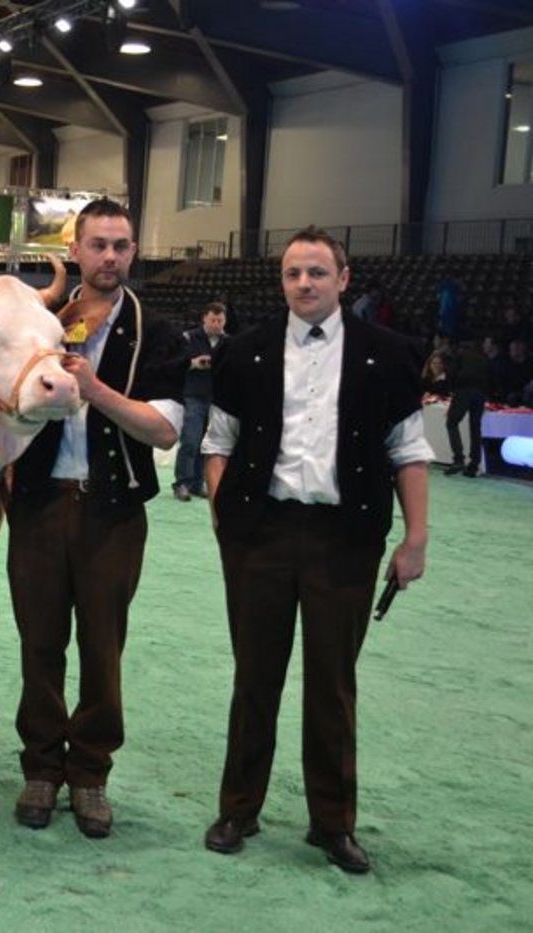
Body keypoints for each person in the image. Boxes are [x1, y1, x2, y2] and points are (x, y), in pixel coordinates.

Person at [200, 226, 430, 874]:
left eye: (318, 273)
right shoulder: (244, 351)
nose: (305, 283)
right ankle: (239, 807)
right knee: (255, 678)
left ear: (344, 279)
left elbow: (409, 450)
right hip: (261, 536)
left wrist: (416, 538)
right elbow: (218, 442)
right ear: (282, 281)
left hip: (345, 540)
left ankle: (333, 824)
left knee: (332, 684)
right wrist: (224, 513)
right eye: (294, 273)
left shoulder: (388, 353)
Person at [6, 199, 184, 839]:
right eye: (99, 244)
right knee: (38, 643)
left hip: (113, 512)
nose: (110, 257)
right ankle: (41, 768)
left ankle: (90, 776)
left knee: (102, 648)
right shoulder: (39, 324)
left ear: (133, 252)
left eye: (122, 245)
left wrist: (97, 391)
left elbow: (164, 432)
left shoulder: (158, 332)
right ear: (75, 250)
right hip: (38, 504)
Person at [173, 302, 228, 501]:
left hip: (216, 399)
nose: (216, 324)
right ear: (204, 318)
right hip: (193, 396)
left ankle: (198, 483)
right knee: (190, 441)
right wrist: (193, 363)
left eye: (220, 321)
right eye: (213, 320)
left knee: (207, 446)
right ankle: (182, 484)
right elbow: (175, 364)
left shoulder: (228, 342)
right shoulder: (189, 338)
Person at [443, 338, 492, 476]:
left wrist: (451, 389)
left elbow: (451, 373)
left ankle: (458, 459)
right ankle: (474, 465)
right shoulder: (484, 358)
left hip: (464, 390)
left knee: (452, 422)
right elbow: (492, 378)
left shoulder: (460, 355)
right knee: (475, 427)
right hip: (481, 393)